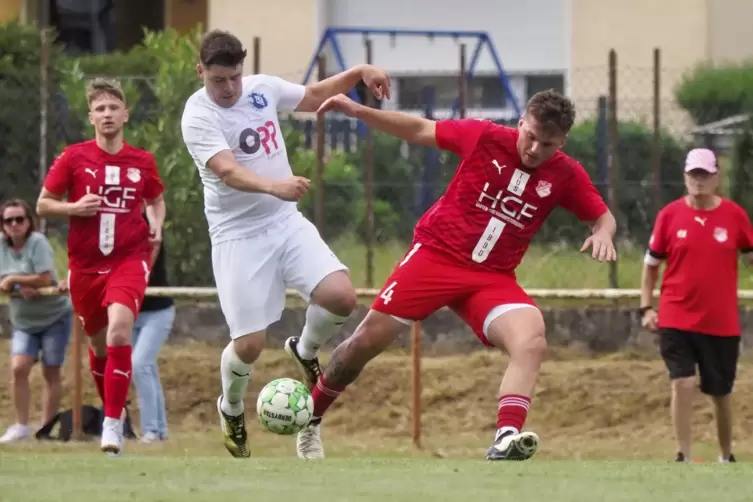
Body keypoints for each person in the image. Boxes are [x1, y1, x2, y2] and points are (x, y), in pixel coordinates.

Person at [307, 90, 617, 461]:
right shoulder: (485, 136)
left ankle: (506, 437)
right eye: (530, 136)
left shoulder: (566, 173)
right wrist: (357, 110)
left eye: (546, 144)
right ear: (521, 122)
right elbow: (420, 129)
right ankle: (310, 419)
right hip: (436, 257)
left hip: (492, 278)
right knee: (364, 343)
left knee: (531, 336)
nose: (534, 149)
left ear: (561, 142)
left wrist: (602, 233)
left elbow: (603, 216)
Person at [180, 29, 391, 459]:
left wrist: (359, 72)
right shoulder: (197, 115)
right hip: (237, 235)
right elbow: (228, 172)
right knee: (250, 345)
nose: (230, 88)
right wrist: (274, 186)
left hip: (283, 221)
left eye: (235, 77)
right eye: (219, 79)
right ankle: (232, 406)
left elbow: (313, 96)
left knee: (341, 296)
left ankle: (306, 348)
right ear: (201, 71)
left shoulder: (261, 89)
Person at [36, 77, 166, 456]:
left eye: (114, 108)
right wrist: (73, 209)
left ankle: (111, 425)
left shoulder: (142, 160)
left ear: (126, 114)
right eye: (100, 109)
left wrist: (156, 221)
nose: (108, 114)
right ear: (91, 116)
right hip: (86, 265)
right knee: (99, 344)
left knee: (120, 332)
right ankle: (116, 406)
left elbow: (156, 200)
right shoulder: (73, 157)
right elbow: (44, 203)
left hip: (129, 258)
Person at [640, 148, 751, 463]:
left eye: (705, 175)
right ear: (685, 178)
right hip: (676, 316)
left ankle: (725, 455)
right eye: (693, 175)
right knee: (683, 381)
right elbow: (650, 267)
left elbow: (749, 255)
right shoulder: (669, 216)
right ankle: (683, 455)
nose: (699, 182)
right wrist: (647, 307)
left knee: (720, 393)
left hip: (720, 321)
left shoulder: (734, 216)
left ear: (717, 178)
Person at [0, 199, 72, 443]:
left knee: (51, 371)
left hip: (54, 316)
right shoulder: (0, 246)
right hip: (24, 321)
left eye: (20, 219)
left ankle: (45, 427)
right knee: (19, 368)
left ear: (29, 221)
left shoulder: (38, 242)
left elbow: (44, 278)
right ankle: (21, 425)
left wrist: (14, 281)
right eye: (9, 220)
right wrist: (19, 284)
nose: (15, 225)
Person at [131, 210, 175, 443]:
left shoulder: (149, 222)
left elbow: (144, 267)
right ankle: (160, 431)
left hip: (158, 311)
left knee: (140, 364)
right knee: (146, 369)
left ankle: (151, 430)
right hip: (130, 310)